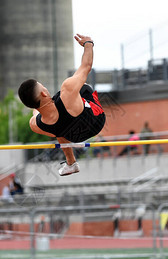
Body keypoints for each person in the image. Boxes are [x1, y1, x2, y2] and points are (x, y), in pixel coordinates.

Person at [18, 34, 106, 176]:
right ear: (44, 94)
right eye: (43, 87)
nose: (46, 89)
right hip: (96, 120)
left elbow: (36, 111)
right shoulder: (67, 93)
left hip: (77, 136)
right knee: (82, 87)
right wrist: (88, 44)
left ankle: (71, 163)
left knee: (57, 129)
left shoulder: (35, 124)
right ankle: (70, 162)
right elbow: (86, 66)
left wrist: (35, 106)